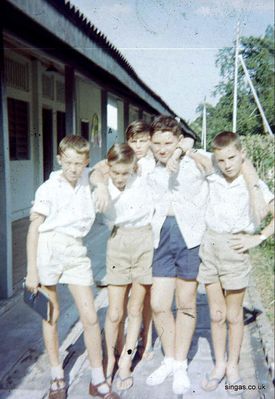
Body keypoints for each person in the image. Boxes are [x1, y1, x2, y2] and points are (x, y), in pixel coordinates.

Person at [25, 136, 119, 399]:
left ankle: (97, 379)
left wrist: (100, 186)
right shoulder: (48, 188)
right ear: (59, 160)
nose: (73, 168)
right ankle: (57, 375)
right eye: (68, 162)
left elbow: (104, 167)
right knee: (51, 315)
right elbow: (34, 229)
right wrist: (32, 270)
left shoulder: (89, 175)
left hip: (76, 250)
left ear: (85, 162)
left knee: (89, 317)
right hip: (49, 247)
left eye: (79, 163)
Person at [196, 131, 274, 394]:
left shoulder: (254, 185)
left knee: (233, 315)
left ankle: (233, 365)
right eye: (221, 160)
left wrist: (259, 237)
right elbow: (192, 152)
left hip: (235, 248)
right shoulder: (213, 176)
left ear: (243, 155)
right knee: (216, 315)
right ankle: (219, 364)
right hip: (210, 245)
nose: (227, 164)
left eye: (232, 158)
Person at [145, 115, 209, 395]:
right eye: (156, 142)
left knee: (185, 304)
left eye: (168, 142)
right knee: (159, 304)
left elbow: (212, 166)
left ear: (177, 139)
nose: (162, 148)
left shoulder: (194, 158)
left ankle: (180, 363)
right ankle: (169, 359)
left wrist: (184, 151)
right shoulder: (147, 164)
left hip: (189, 237)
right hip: (161, 236)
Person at [100, 143, 155, 391]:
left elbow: (184, 144)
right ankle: (109, 358)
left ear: (133, 167)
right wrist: (102, 182)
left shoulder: (143, 174)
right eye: (116, 173)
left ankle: (126, 359)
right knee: (114, 313)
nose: (121, 178)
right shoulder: (102, 180)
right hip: (118, 242)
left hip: (144, 241)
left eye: (125, 173)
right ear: (108, 168)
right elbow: (93, 171)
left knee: (135, 309)